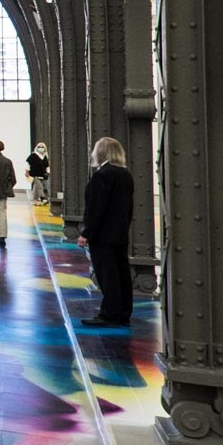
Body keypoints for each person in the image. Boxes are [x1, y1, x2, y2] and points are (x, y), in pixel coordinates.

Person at [78, 136, 136, 327]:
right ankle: (123, 313)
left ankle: (109, 314)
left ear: (100, 153)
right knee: (121, 274)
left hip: (103, 235)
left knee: (107, 276)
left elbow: (96, 208)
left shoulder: (102, 175)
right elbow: (128, 208)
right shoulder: (125, 175)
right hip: (119, 233)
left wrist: (86, 233)